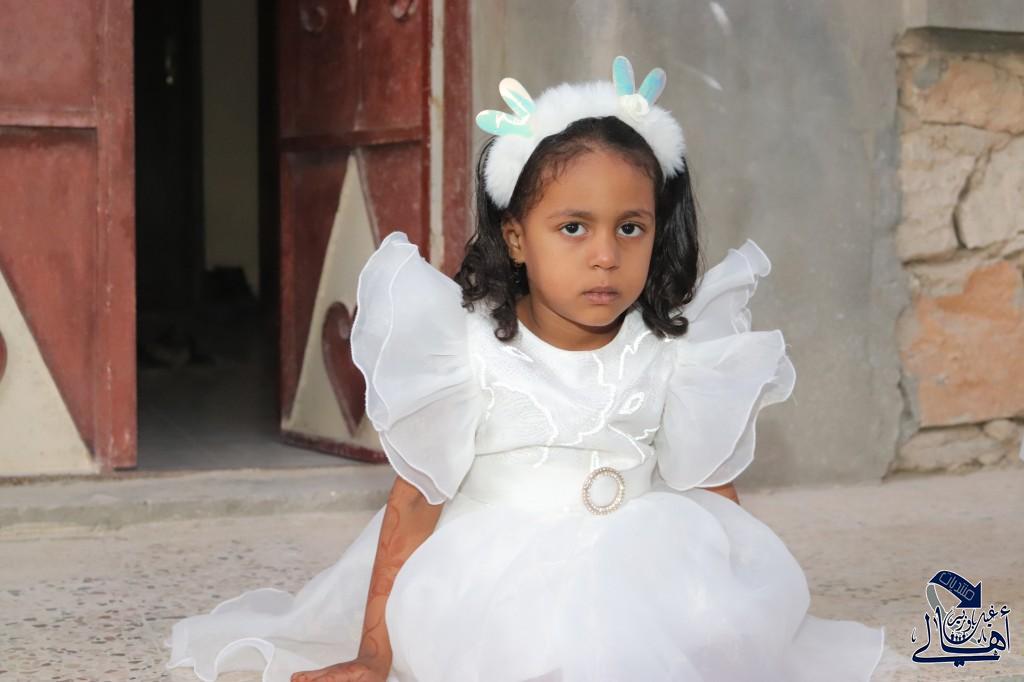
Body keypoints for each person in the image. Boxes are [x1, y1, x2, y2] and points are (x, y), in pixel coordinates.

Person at [165, 55, 885, 682]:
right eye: (573, 228)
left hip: (641, 558)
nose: (605, 255)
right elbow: (413, 504)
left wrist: (741, 608)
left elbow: (710, 488)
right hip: (493, 574)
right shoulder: (469, 350)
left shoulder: (673, 348)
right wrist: (374, 654)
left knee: (667, 634)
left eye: (630, 228)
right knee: (529, 648)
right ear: (515, 237)